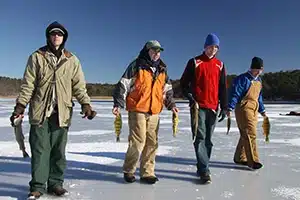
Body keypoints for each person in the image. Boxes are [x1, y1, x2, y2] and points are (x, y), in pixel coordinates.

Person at [9, 21, 96, 199]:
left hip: (62, 112)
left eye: (60, 34)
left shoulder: (72, 59)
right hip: (40, 112)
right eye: (53, 34)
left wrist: (85, 104)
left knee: (58, 151)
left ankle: (56, 184)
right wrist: (20, 106)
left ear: (64, 38)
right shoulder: (37, 57)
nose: (56, 37)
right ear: (48, 36)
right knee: (40, 150)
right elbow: (28, 84)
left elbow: (79, 86)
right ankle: (38, 187)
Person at [112, 40, 178, 184]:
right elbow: (123, 84)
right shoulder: (136, 65)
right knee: (138, 141)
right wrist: (118, 103)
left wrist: (171, 105)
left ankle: (147, 172)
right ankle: (129, 170)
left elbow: (167, 90)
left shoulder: (162, 69)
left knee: (152, 142)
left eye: (158, 51)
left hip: (154, 111)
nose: (156, 53)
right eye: (153, 50)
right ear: (147, 51)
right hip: (137, 109)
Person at [180, 33, 227, 184]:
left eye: (215, 47)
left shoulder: (220, 65)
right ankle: (205, 169)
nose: (212, 49)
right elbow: (183, 83)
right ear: (205, 46)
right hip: (198, 106)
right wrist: (190, 97)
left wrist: (225, 106)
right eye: (210, 46)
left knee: (208, 139)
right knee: (199, 137)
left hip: (213, 106)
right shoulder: (195, 62)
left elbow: (222, 87)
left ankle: (202, 166)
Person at [227, 56, 267, 170]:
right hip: (243, 108)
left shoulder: (259, 81)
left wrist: (262, 110)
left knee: (245, 133)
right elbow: (235, 94)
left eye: (261, 69)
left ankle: (239, 157)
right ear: (252, 68)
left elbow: (259, 97)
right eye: (257, 69)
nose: (259, 71)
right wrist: (230, 107)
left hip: (254, 109)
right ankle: (253, 161)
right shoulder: (243, 79)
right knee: (250, 133)